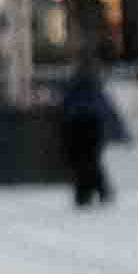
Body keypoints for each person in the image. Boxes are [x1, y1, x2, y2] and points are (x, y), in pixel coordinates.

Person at [56, 57, 126, 208]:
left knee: (83, 162)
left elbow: (66, 104)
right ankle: (94, 192)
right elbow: (105, 107)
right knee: (90, 161)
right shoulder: (94, 86)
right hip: (91, 125)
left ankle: (86, 194)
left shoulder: (75, 85)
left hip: (78, 125)